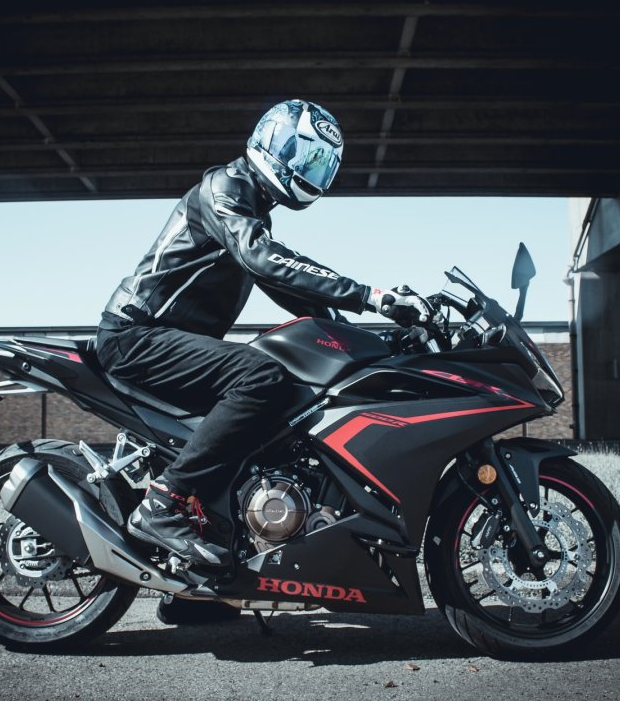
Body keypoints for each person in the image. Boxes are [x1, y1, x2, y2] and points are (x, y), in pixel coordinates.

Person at [95, 99, 430, 596]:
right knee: (262, 376)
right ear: (274, 144)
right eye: (305, 157)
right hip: (135, 336)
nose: (310, 172)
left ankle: (203, 587)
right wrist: (372, 296)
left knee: (272, 424)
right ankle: (163, 502)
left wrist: (370, 339)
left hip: (165, 340)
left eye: (320, 166)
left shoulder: (252, 210)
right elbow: (267, 260)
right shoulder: (223, 189)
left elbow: (292, 290)